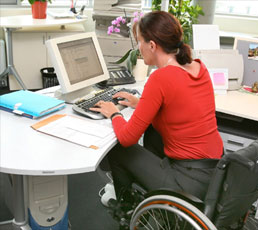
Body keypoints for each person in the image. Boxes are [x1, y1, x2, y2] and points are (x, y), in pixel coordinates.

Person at [90, 11, 223, 206]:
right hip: (216, 171)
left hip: (188, 181)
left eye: (139, 42)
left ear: (152, 45)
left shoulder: (160, 79)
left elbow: (128, 138)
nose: (139, 48)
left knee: (118, 149)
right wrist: (141, 104)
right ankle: (142, 189)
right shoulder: (198, 67)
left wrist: (114, 113)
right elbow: (180, 109)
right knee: (152, 132)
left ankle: (125, 206)